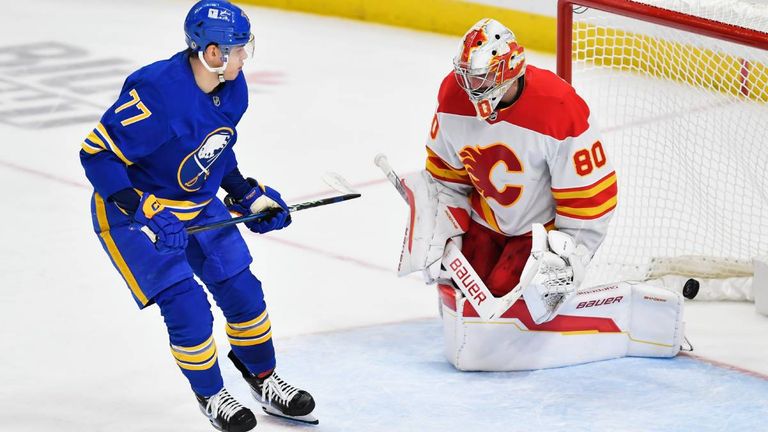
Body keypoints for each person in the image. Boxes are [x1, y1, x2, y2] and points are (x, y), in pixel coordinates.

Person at [397, 18, 686, 371]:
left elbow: (591, 198)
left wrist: (569, 254)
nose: (471, 86)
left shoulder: (558, 106)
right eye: (467, 75)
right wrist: (442, 226)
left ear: (510, 70)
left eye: (482, 77)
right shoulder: (453, 96)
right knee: (459, 295)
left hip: (539, 233)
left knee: (509, 309)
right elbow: (446, 176)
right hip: (485, 218)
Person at [79, 1, 317, 430]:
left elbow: (214, 148)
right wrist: (144, 209)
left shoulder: (234, 88)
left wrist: (247, 194)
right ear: (212, 53)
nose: (245, 57)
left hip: (195, 202)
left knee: (243, 292)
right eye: (239, 49)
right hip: (132, 215)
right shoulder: (157, 92)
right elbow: (96, 156)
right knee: (187, 308)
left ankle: (262, 379)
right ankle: (211, 395)